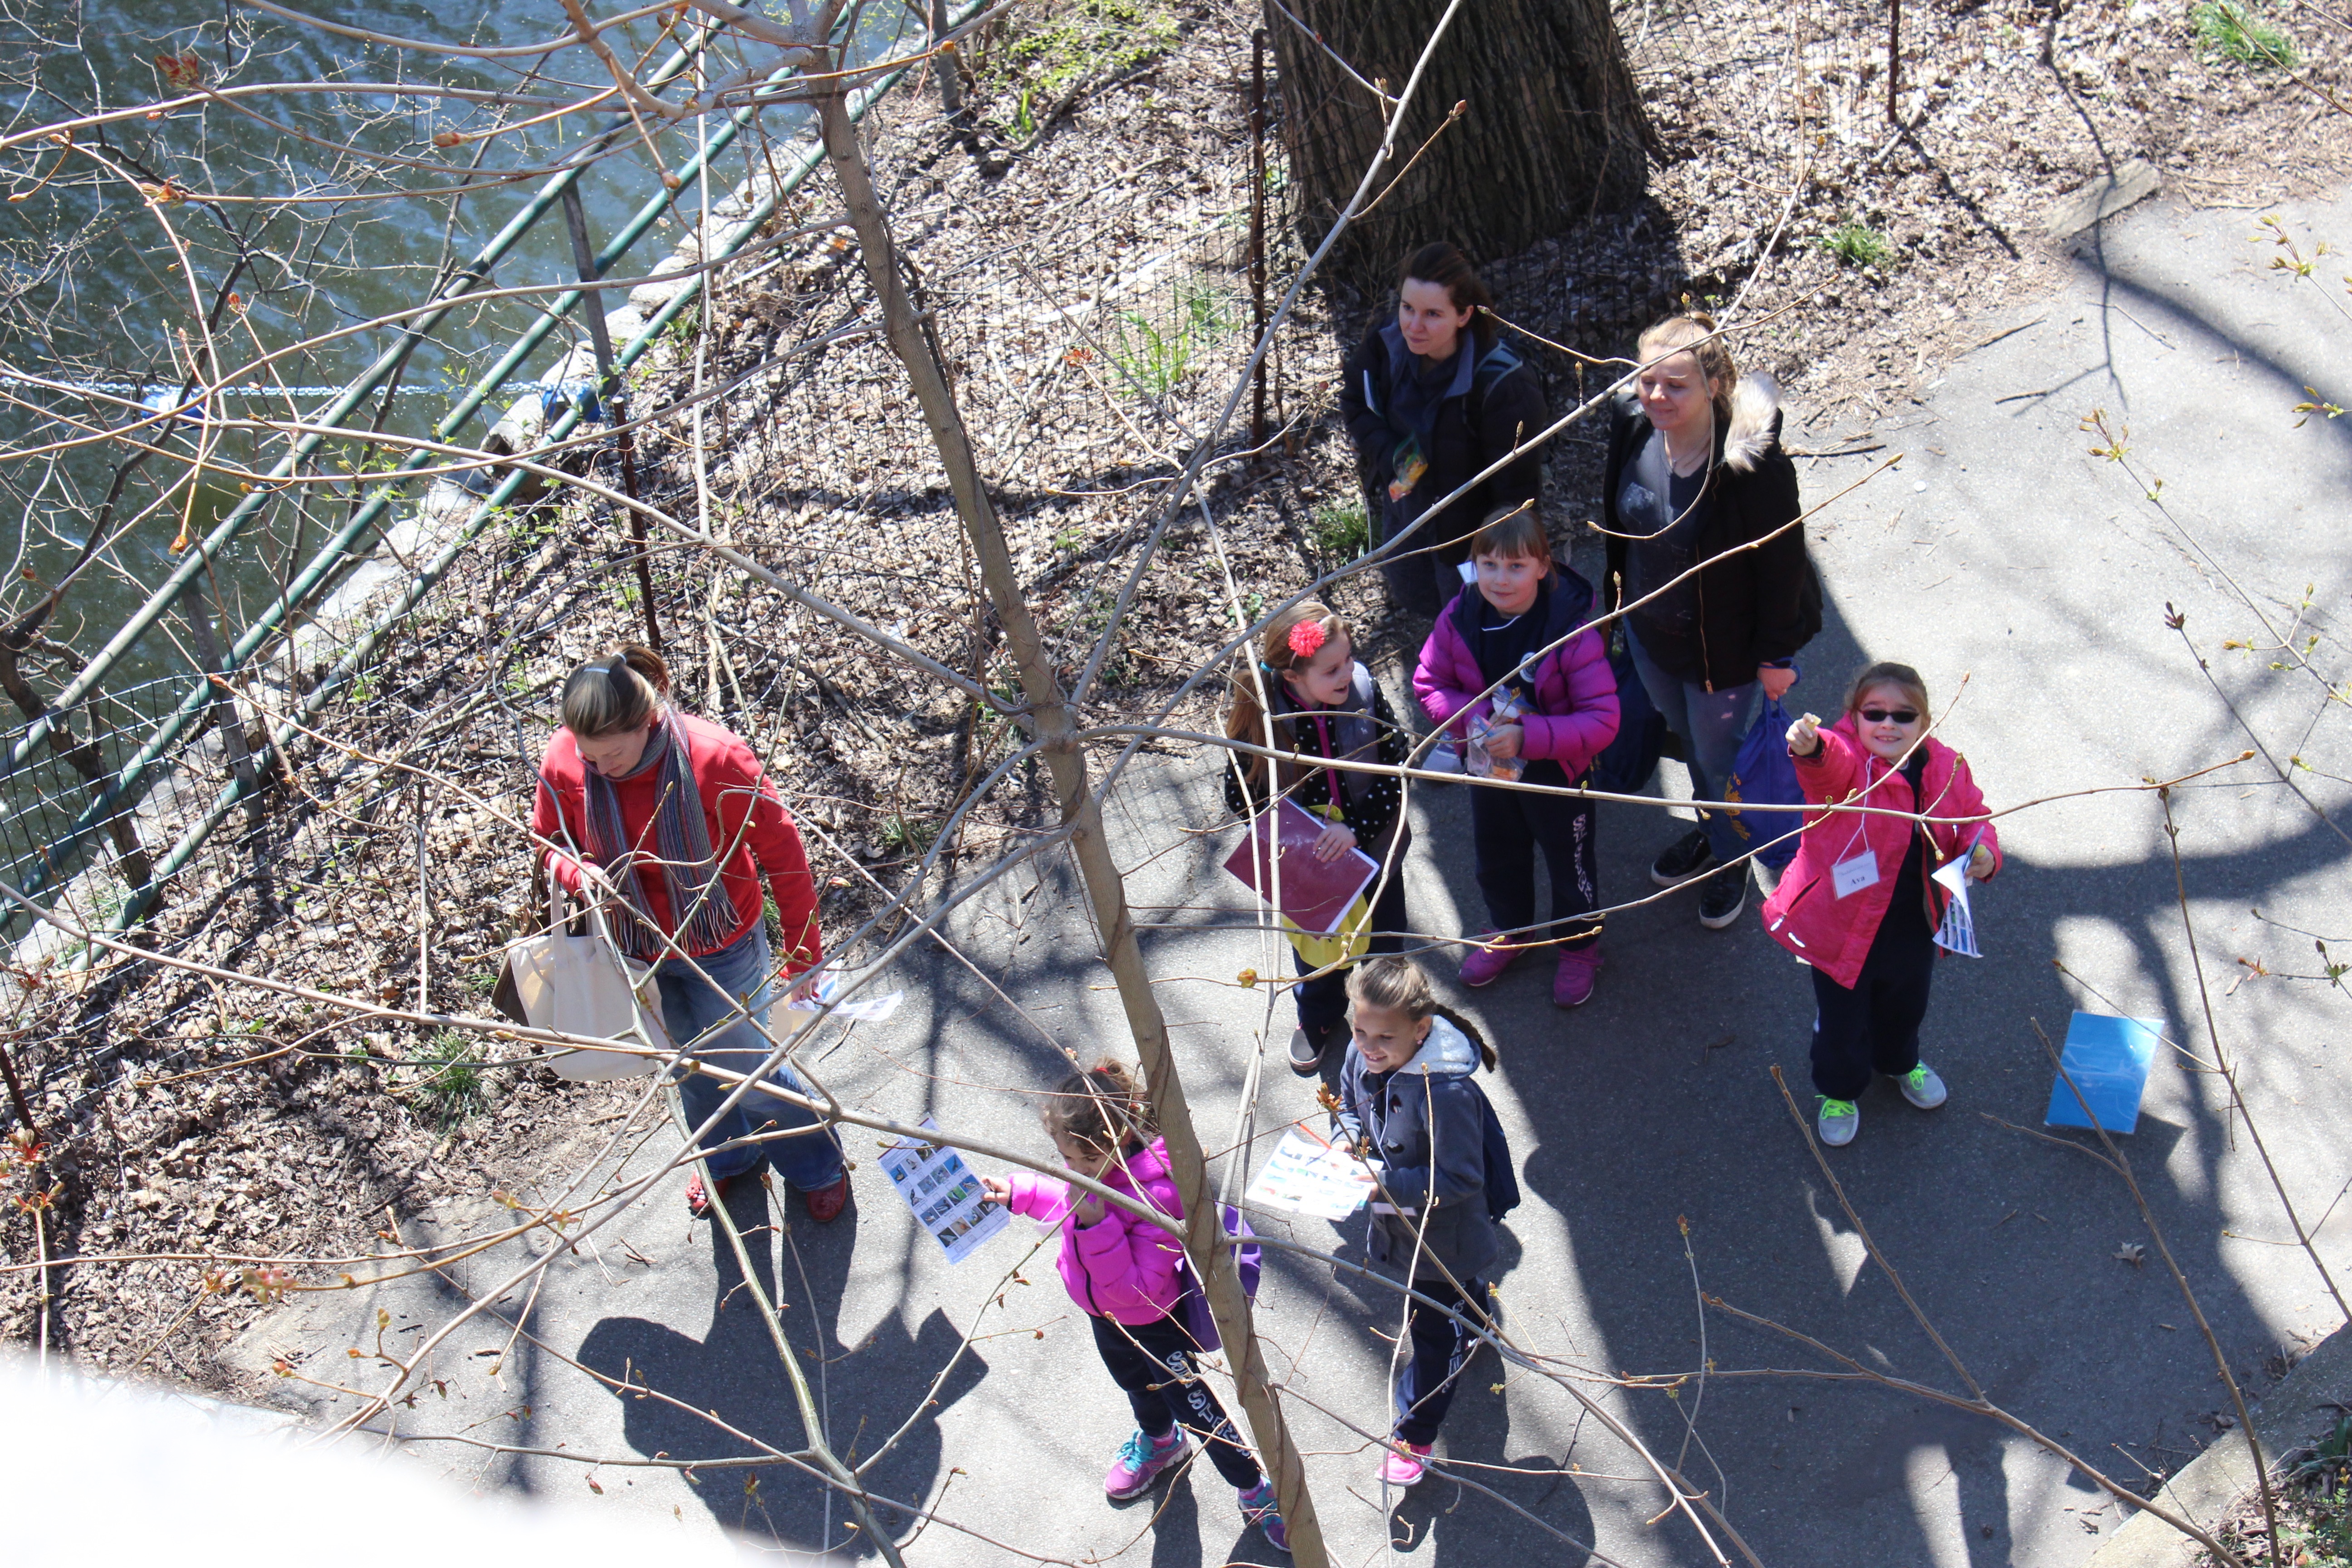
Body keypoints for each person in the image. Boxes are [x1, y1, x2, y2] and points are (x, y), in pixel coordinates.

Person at [533, 646, 850, 1222]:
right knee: (687, 1066)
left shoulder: (714, 759)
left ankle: (817, 1167)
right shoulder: (565, 759)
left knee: (748, 1070)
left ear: (647, 720)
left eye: (612, 756)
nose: (597, 769)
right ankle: (729, 1163)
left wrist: (806, 955)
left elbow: (783, 855)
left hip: (721, 947)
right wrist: (579, 873)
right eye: (588, 756)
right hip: (634, 949)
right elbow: (548, 838)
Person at [978, 1062, 1289, 1552]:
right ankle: (1161, 1442)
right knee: (1133, 1382)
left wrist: (1095, 1224)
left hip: (1151, 1321)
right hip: (1103, 1315)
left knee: (1196, 1406)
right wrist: (1021, 1192)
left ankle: (1255, 1489)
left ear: (1110, 1147)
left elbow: (1138, 1287)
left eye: (1077, 1161)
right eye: (1064, 1158)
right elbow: (1066, 1194)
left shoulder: (1158, 1193)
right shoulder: (1094, 1172)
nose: (1070, 1168)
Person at [1601, 313, 1817, 931]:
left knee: (1717, 759)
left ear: (1715, 385)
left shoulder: (1751, 465)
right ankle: (1715, 830)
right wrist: (1614, 609)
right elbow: (1616, 526)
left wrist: (1776, 657)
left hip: (1719, 652)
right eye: (1646, 381)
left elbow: (1783, 566)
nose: (1656, 396)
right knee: (1692, 748)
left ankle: (1733, 857)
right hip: (1650, 635)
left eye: (1676, 385)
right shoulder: (1632, 425)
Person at [1762, 662, 2000, 1147]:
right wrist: (1811, 747)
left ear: (1926, 721)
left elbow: (1975, 816)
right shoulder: (1850, 762)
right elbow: (1827, 769)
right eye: (1875, 713)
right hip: (1842, 924)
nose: (1888, 724)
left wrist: (1983, 851)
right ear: (1854, 717)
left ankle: (1899, 1061)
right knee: (1841, 1021)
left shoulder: (1946, 766)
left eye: (1904, 715)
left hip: (1915, 921)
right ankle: (1839, 1089)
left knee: (1905, 1005)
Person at [1413, 508, 1622, 1006]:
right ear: (1474, 566)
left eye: (1516, 567)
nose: (1501, 580)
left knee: (1569, 863)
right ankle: (1511, 928)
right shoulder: (1461, 617)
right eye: (1489, 565)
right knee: (1498, 853)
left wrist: (1528, 735)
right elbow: (1429, 681)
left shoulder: (1569, 632)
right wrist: (1476, 717)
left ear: (1543, 568)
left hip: (1556, 772)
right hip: (1490, 767)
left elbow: (1602, 720)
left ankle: (1578, 944)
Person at [1333, 956, 1513, 1489]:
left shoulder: (1447, 1093)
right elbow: (1346, 1102)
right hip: (1399, 1227)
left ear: (1422, 1029)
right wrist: (1349, 1143)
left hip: (1444, 1241)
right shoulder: (1362, 1053)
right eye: (1360, 1030)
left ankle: (1415, 1434)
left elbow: (1459, 1179)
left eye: (1384, 1037)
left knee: (1432, 1335)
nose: (1368, 1047)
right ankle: (1476, 1322)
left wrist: (1377, 1184)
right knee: (1457, 1305)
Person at [1225, 600, 1410, 1078]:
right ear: (1294, 678)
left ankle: (1390, 1024)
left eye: (1349, 659)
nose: (1348, 671)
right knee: (1317, 953)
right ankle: (1320, 1016)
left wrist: (1357, 830)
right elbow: (1241, 794)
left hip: (1374, 851)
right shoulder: (1264, 721)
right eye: (1332, 669)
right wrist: (1299, 838)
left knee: (1385, 942)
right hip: (1311, 866)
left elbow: (1396, 765)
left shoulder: (1363, 692)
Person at [1341, 241, 1547, 620]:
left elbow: (1514, 492)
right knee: (1418, 600)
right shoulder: (1387, 343)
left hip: (1468, 540)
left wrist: (1501, 563)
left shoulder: (1504, 385)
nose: (1413, 327)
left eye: (1433, 314)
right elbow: (1355, 400)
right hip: (1405, 510)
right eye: (1407, 309)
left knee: (1473, 624)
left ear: (1465, 315)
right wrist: (1395, 457)